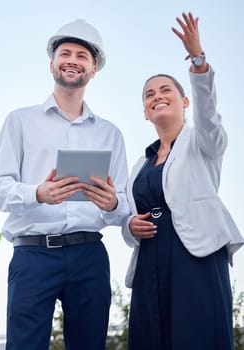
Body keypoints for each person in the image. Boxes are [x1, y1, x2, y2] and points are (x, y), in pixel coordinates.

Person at [0, 19, 129, 350]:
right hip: (33, 254)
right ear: (52, 63)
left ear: (93, 70)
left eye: (82, 55)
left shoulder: (110, 134)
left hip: (89, 254)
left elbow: (122, 205)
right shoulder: (19, 121)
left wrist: (111, 204)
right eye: (65, 53)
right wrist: (38, 192)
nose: (72, 60)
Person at [121, 12, 244, 350]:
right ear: (145, 111)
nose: (156, 96)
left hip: (196, 255)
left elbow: (208, 113)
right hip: (149, 261)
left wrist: (198, 60)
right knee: (151, 339)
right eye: (149, 94)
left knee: (197, 336)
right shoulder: (139, 164)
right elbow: (127, 216)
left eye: (165, 90)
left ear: (184, 100)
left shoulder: (203, 141)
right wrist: (129, 226)